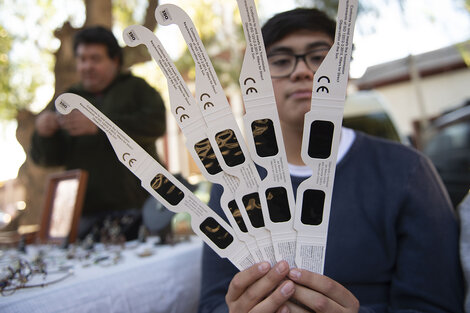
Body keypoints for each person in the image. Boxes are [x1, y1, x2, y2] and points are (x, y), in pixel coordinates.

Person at [198, 8, 464, 313]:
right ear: (255, 81)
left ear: (345, 72)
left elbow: (437, 303)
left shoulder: (408, 171)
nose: (301, 72)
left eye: (319, 57)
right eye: (281, 61)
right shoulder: (233, 182)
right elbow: (212, 302)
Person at [31, 26, 167, 240]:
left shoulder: (137, 88)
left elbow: (156, 124)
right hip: (85, 217)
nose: (87, 66)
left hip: (142, 208)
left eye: (95, 59)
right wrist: (43, 133)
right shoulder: (68, 98)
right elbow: (47, 159)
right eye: (82, 59)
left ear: (115, 60)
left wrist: (100, 124)